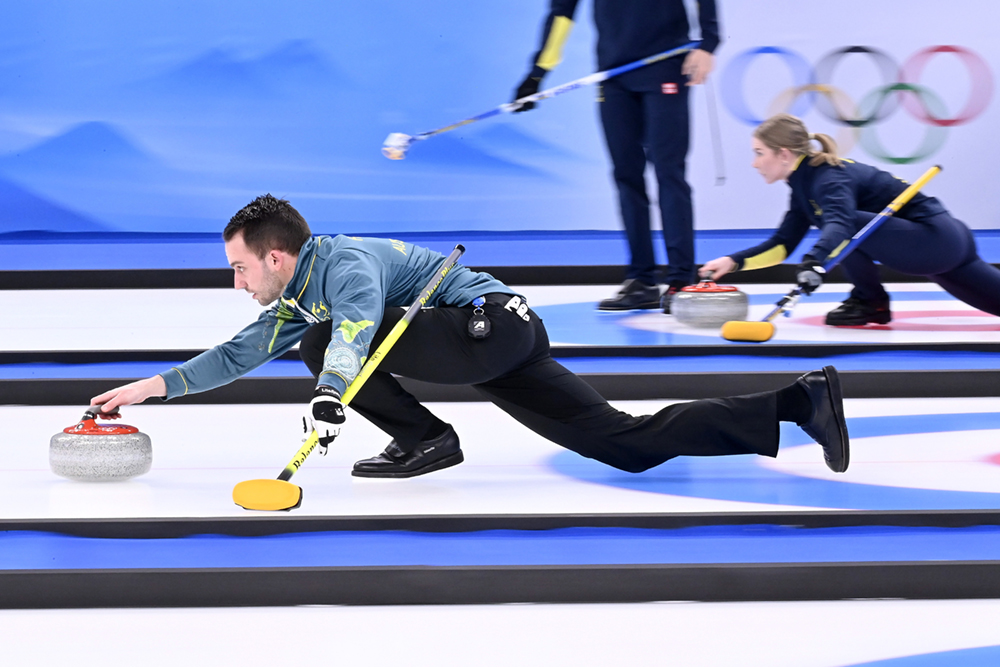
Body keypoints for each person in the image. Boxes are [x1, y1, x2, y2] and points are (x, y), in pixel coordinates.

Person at [93, 194, 851, 478]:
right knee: (626, 446)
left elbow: (355, 329)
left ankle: (427, 439)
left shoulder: (345, 265)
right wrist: (152, 386)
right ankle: (795, 403)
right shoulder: (296, 292)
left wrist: (330, 395)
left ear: (277, 256)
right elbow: (238, 351)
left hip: (488, 328)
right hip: (492, 345)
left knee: (325, 345)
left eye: (238, 268)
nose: (237, 281)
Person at [512, 0, 719, 313]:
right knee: (626, 176)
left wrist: (708, 43)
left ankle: (680, 279)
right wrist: (537, 73)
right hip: (614, 74)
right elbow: (562, 13)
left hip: (665, 64)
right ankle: (642, 280)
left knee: (668, 172)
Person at [701, 113, 1000, 326]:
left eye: (758, 153)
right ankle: (870, 301)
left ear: (783, 154)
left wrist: (814, 262)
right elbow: (782, 245)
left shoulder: (828, 178)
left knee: (849, 224)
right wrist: (734, 261)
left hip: (933, 241)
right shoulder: (804, 184)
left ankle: (870, 301)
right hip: (945, 243)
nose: (754, 163)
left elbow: (843, 225)